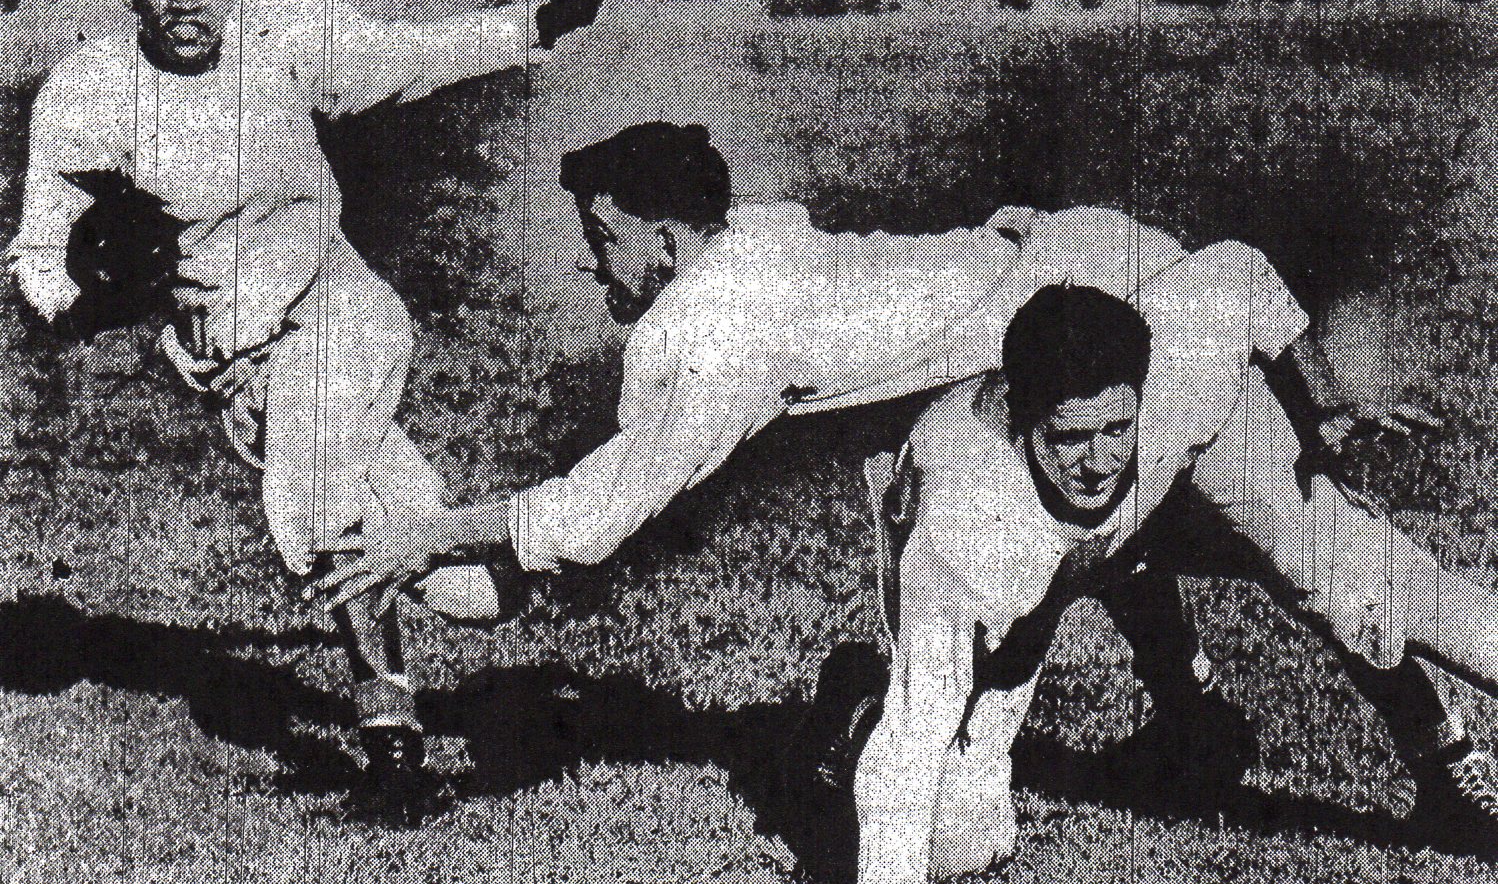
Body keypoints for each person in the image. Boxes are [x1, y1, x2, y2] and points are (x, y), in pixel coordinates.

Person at [7, 0, 626, 796]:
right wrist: (88, 303)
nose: (186, 3)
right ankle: (555, 547)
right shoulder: (89, 93)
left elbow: (418, 56)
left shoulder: (282, 42)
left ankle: (391, 743)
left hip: (341, 316)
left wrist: (545, 20)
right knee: (467, 595)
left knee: (311, 520)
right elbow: (35, 255)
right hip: (240, 368)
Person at [841, 256, 1498, 884]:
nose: (1097, 461)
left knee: (1364, 584)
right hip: (1023, 560)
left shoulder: (1181, 360)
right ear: (1016, 412)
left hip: (1203, 457)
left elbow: (1244, 272)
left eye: (1115, 427)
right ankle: (852, 703)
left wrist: (1323, 399)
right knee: (958, 844)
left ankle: (1443, 761)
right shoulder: (964, 520)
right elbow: (922, 714)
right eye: (1068, 436)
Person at [320, 120, 1207, 606]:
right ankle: (1191, 708)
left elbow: (603, 510)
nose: (593, 264)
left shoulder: (727, 329)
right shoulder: (743, 243)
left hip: (1115, 295)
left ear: (668, 238)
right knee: (1098, 528)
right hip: (1082, 256)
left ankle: (1184, 711)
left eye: (603, 239)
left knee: (1262, 549)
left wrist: (428, 536)